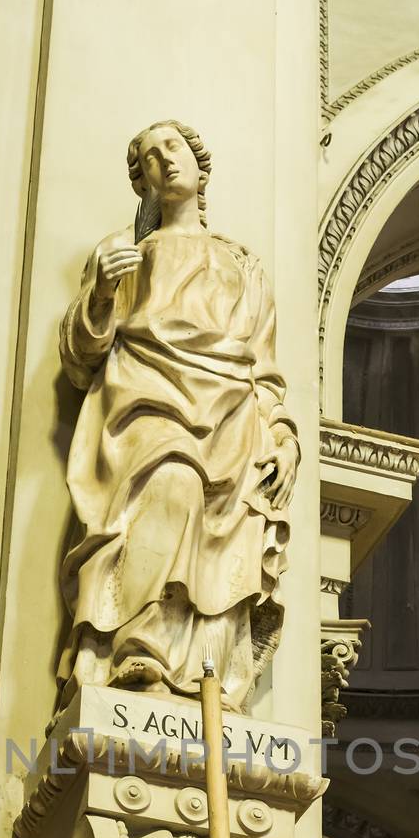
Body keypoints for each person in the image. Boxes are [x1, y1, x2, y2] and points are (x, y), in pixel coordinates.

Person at [56, 118, 299, 713]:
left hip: (232, 417)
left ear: (198, 162)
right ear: (141, 183)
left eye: (174, 148)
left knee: (222, 532)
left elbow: (262, 364)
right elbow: (83, 353)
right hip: (148, 397)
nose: (164, 162)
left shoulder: (244, 264)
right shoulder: (126, 254)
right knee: (172, 482)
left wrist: (283, 434)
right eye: (147, 158)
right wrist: (102, 294)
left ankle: (201, 669)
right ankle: (138, 642)